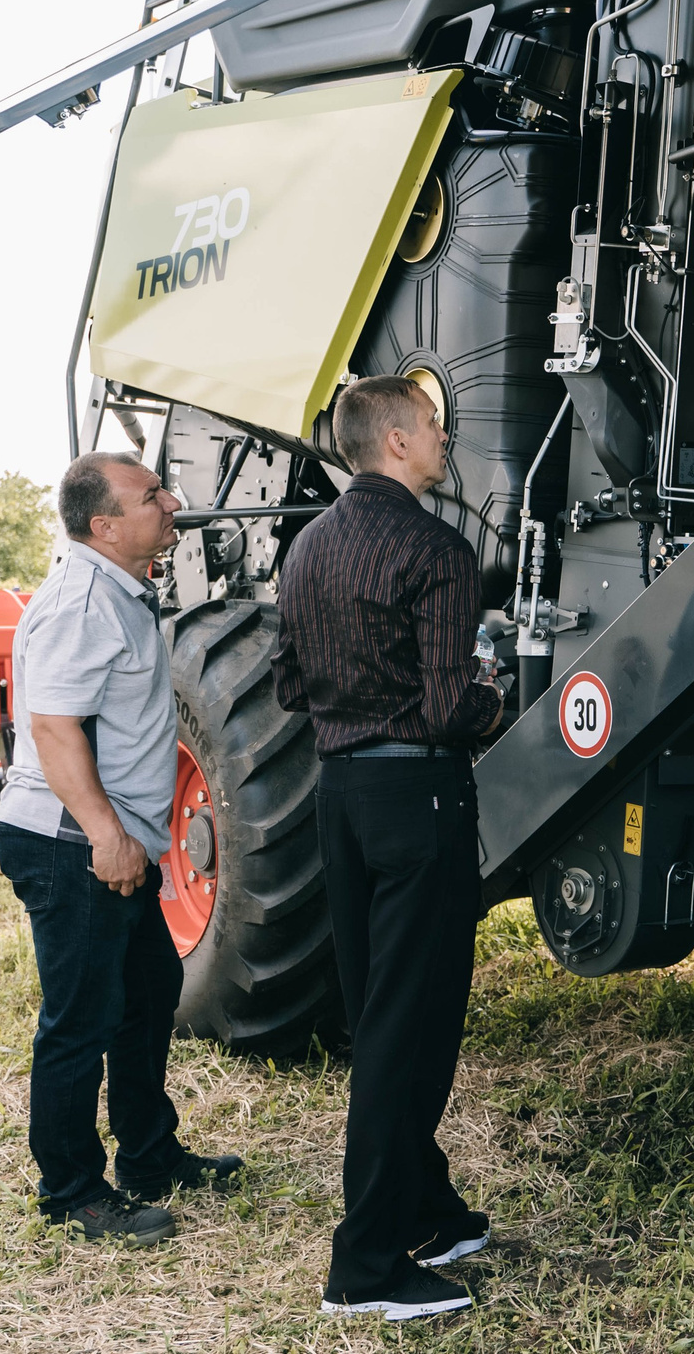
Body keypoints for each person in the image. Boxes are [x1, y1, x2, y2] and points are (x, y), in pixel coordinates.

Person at [275, 376, 505, 1321]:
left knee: (382, 1010)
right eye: (437, 429)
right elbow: (454, 706)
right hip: (421, 799)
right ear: (400, 439)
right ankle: (365, 1264)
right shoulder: (437, 549)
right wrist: (497, 697)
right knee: (408, 1031)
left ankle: (424, 1208)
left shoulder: (306, 548)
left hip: (342, 797)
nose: (446, 441)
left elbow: (291, 684)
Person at [0, 450, 243, 1246]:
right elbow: (54, 729)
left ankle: (147, 1154)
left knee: (146, 991)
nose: (171, 502)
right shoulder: (80, 601)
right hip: (75, 839)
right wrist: (107, 836)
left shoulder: (117, 588)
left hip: (110, 835)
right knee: (82, 1018)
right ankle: (71, 1191)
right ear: (104, 524)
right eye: (149, 496)